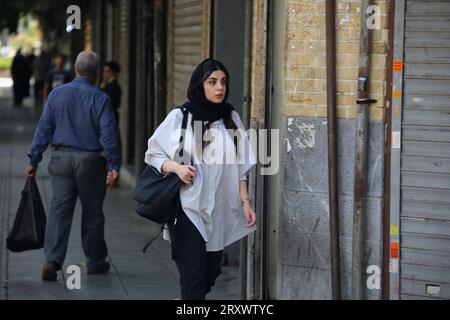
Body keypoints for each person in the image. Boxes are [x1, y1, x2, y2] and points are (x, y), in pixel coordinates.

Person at [145, 58, 257, 300]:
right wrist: (177, 168)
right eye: (212, 82)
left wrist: (245, 201)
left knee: (210, 274)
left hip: (219, 211)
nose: (220, 88)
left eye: (223, 82)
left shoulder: (230, 118)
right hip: (189, 209)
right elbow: (152, 154)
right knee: (194, 279)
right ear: (200, 85)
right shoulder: (181, 116)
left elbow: (241, 166)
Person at [25, 51, 121, 281]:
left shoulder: (57, 94)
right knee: (93, 213)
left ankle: (52, 261)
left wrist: (33, 159)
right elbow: (109, 135)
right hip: (90, 162)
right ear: (96, 73)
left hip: (60, 161)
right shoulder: (101, 98)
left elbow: (44, 129)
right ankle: (96, 261)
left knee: (59, 210)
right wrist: (113, 165)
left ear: (75, 70)